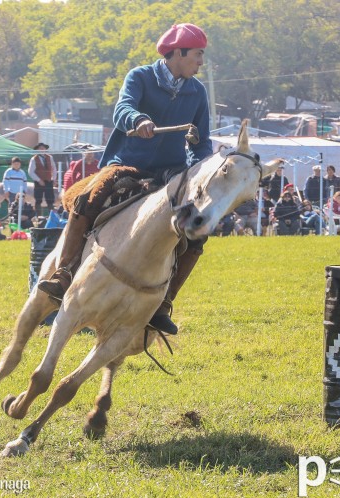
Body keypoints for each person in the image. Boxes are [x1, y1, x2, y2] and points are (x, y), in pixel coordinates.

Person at [38, 23, 212, 336]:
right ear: (179, 52)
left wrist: (201, 175)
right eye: (198, 55)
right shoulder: (140, 76)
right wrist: (138, 119)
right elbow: (123, 108)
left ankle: (163, 303)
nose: (201, 62)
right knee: (86, 200)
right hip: (127, 165)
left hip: (170, 172)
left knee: (197, 231)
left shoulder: (197, 92)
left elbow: (201, 143)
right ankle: (63, 275)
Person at [27, 142, 56, 213]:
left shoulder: (50, 157)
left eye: (43, 148)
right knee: (38, 199)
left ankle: (51, 216)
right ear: (37, 149)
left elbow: (54, 169)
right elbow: (30, 172)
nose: (42, 149)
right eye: (40, 148)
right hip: (38, 182)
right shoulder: (34, 159)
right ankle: (39, 216)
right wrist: (39, 180)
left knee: (50, 199)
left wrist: (54, 179)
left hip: (49, 181)